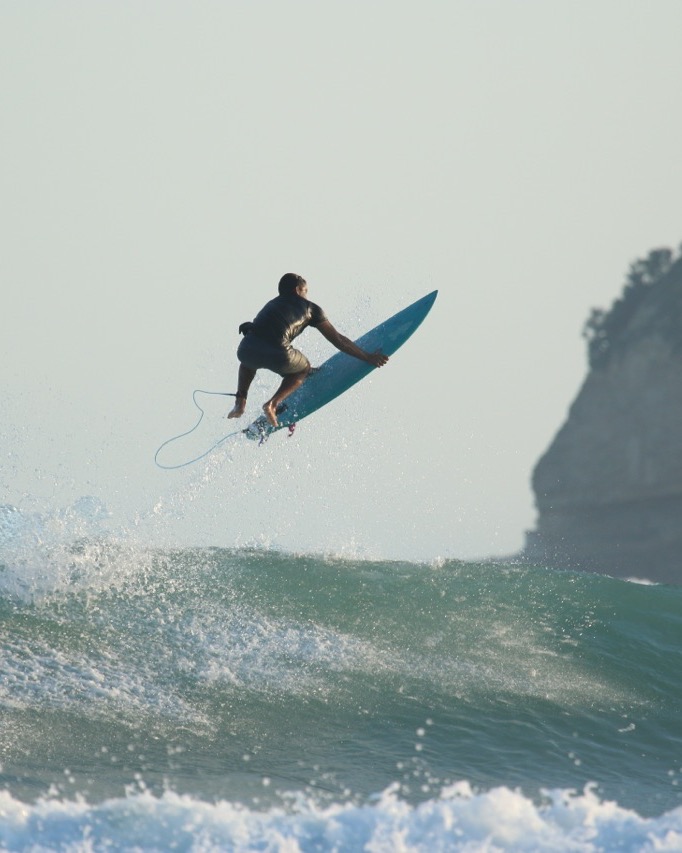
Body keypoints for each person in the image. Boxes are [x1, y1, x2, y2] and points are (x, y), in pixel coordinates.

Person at [228, 273, 389, 428]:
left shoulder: (271, 304)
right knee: (302, 368)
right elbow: (338, 340)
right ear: (297, 290)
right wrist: (367, 357)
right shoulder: (311, 309)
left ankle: (240, 403)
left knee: (249, 360)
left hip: (245, 348)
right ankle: (272, 404)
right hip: (278, 352)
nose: (306, 296)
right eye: (305, 291)